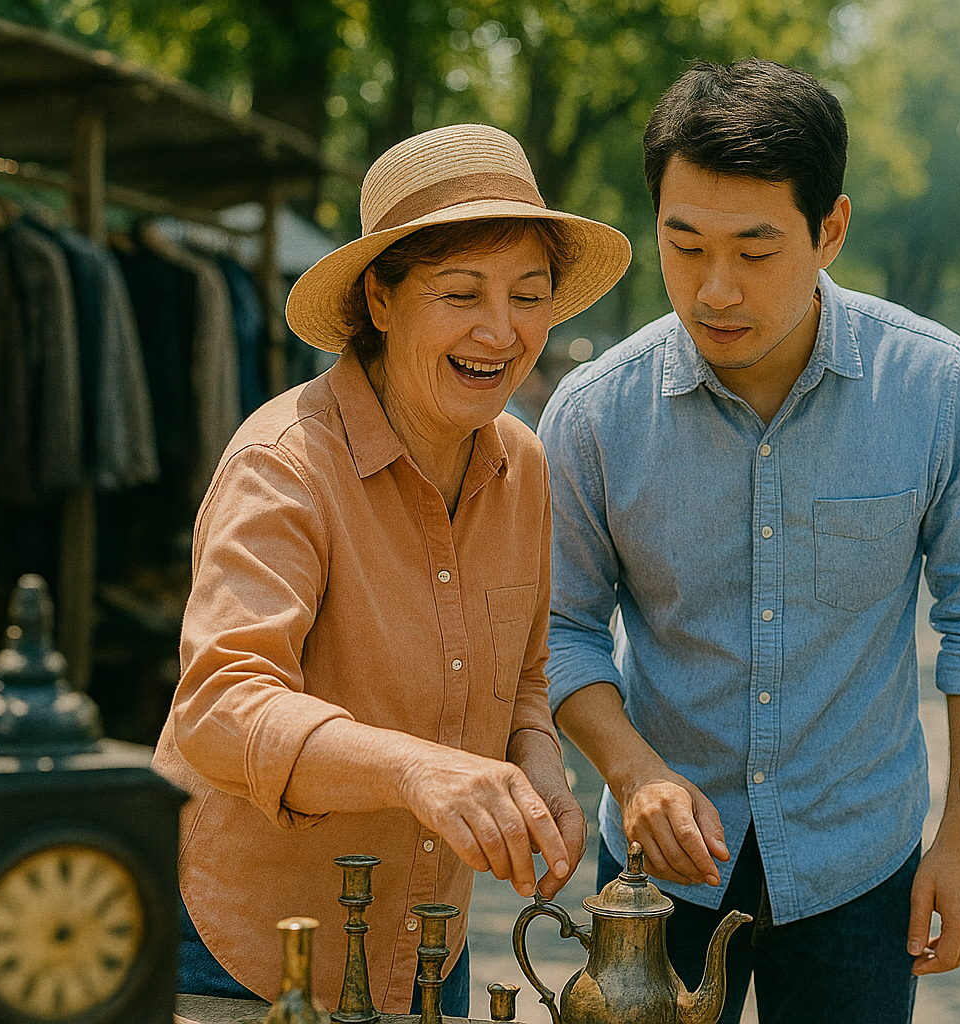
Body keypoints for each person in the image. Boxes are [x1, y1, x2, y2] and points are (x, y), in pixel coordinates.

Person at [539, 59, 960, 1024]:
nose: (715, 290)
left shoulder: (932, 387)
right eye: (683, 247)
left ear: (829, 230)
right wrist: (634, 772)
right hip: (652, 870)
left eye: (756, 252)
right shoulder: (595, 416)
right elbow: (558, 626)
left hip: (859, 863)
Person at [152, 123, 631, 1015]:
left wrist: (539, 768)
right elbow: (221, 706)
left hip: (426, 947)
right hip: (247, 957)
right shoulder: (283, 463)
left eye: (530, 295)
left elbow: (524, 679)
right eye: (462, 294)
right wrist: (419, 770)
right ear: (381, 299)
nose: (502, 330)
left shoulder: (522, 466)